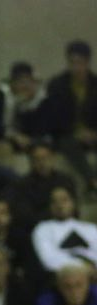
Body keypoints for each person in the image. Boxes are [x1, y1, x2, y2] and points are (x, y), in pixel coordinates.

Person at [47, 41, 97, 198]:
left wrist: (93, 133)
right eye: (72, 63)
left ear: (87, 63)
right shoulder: (57, 85)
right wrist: (76, 133)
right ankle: (93, 180)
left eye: (79, 63)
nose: (76, 67)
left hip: (92, 133)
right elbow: (53, 118)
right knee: (68, 143)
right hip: (67, 134)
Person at [9, 140, 77, 229]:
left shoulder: (65, 181)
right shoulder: (23, 184)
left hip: (65, 226)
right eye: (37, 159)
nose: (42, 162)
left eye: (45, 157)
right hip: (35, 228)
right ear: (31, 161)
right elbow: (25, 215)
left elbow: (74, 210)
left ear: (53, 158)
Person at [0, 62, 53, 152]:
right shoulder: (3, 95)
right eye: (20, 82)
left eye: (28, 81)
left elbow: (43, 129)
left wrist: (27, 104)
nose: (25, 86)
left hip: (35, 141)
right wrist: (14, 136)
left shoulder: (42, 99)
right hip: (6, 139)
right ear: (12, 83)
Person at [32, 186, 97, 273]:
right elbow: (49, 260)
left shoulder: (91, 229)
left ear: (73, 202)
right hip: (66, 275)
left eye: (64, 200)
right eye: (54, 201)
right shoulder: (43, 229)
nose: (59, 205)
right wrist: (84, 267)